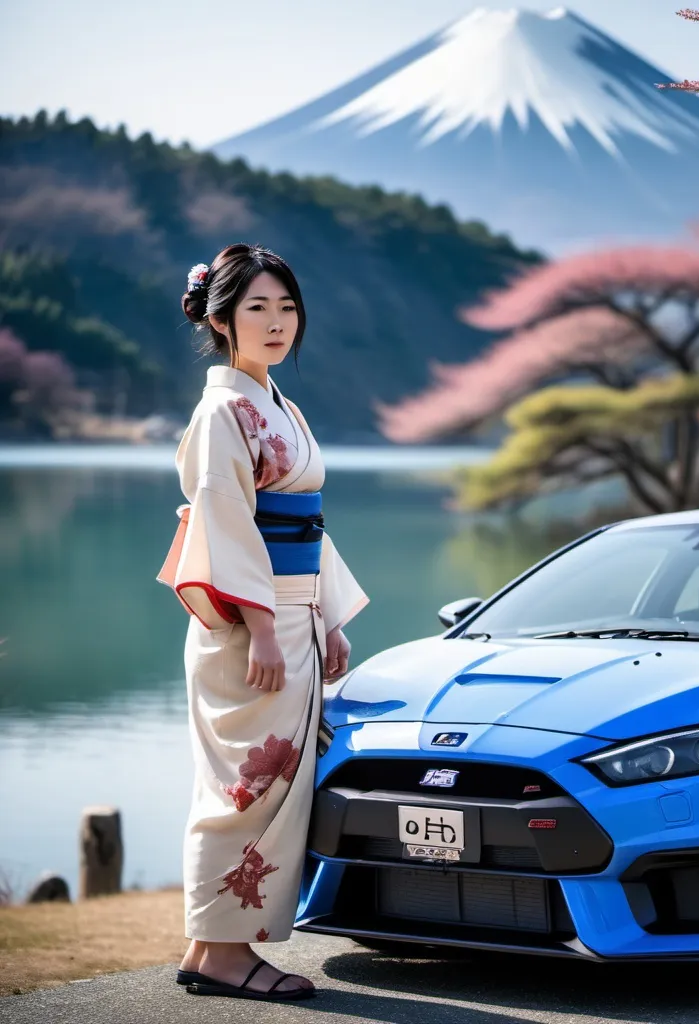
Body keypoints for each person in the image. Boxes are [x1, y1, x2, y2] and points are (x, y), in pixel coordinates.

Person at [156, 243, 368, 1001]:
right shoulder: (223, 411)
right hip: (253, 627)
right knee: (247, 787)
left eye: (287, 307)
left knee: (269, 785)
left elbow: (304, 523)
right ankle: (224, 954)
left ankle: (208, 947)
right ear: (221, 319)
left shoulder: (277, 404)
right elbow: (227, 523)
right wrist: (268, 628)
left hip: (290, 614)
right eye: (257, 308)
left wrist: (327, 613)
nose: (277, 323)